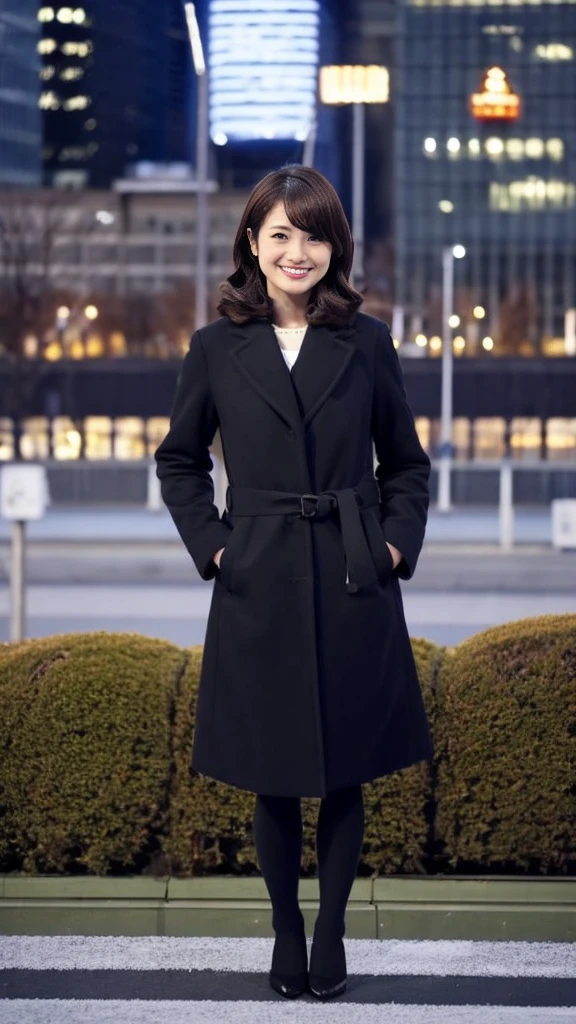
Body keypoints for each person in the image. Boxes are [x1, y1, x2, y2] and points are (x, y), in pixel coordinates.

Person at [154, 164, 433, 1001]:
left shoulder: (367, 341)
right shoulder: (215, 346)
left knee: (346, 769)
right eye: (280, 234)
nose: (297, 251)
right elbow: (179, 462)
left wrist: (388, 548)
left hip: (352, 573)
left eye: (313, 235)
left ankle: (333, 932)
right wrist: (215, 549)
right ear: (253, 243)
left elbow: (409, 468)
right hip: (259, 574)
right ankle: (284, 931)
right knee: (273, 773)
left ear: (333, 247)